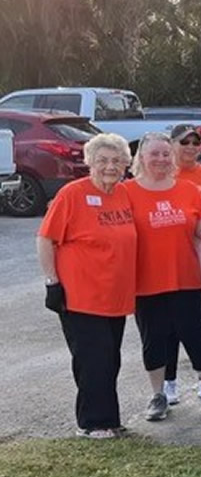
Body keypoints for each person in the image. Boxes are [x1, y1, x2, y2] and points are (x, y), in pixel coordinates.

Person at [37, 133, 136, 439]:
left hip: (114, 296)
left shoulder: (122, 194)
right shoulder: (72, 194)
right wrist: (52, 283)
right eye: (103, 160)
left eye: (117, 161)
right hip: (81, 296)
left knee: (111, 359)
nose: (110, 166)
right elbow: (45, 238)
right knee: (93, 360)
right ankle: (92, 423)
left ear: (125, 165)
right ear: (89, 162)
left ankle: (110, 418)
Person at [124, 132, 201, 422]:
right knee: (153, 340)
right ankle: (159, 395)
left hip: (186, 278)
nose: (161, 159)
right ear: (141, 157)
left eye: (166, 154)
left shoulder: (187, 189)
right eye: (154, 153)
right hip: (146, 282)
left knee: (196, 337)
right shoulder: (127, 192)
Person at [165, 123, 201, 403]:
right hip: (170, 251)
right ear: (172, 145)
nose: (190, 147)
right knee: (167, 322)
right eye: (184, 142)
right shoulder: (163, 173)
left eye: (195, 142)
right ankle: (169, 382)